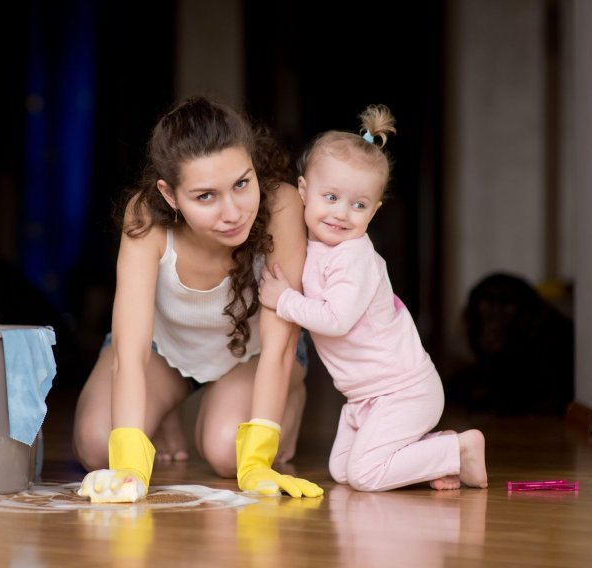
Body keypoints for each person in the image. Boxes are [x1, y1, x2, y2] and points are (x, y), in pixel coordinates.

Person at [73, 96, 323, 502]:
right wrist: (131, 469)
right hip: (166, 352)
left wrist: (258, 459)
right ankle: (166, 407)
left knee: (230, 454)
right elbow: (129, 353)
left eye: (242, 184)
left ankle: (286, 401)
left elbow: (280, 345)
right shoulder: (146, 219)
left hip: (257, 354)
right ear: (170, 195)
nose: (233, 212)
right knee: (98, 446)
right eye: (206, 196)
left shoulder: (281, 205)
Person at [258, 104, 488, 492]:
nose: (341, 213)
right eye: (330, 197)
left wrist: (284, 300)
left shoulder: (355, 258)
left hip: (402, 391)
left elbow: (335, 319)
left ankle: (460, 449)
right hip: (364, 397)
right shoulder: (314, 247)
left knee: (364, 475)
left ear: (374, 211)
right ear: (302, 192)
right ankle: (429, 454)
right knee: (343, 471)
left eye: (358, 205)